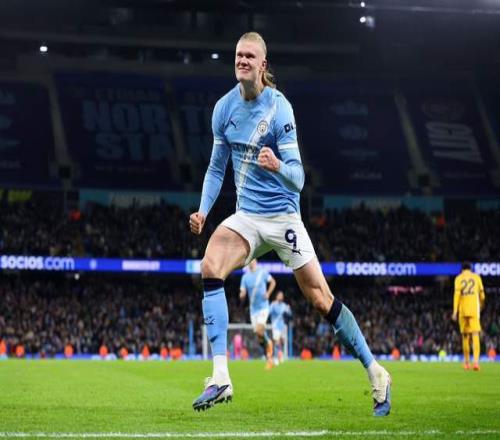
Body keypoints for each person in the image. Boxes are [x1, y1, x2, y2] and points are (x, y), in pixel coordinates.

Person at [189, 31, 391, 416]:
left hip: (283, 218)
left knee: (320, 299)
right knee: (210, 266)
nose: (242, 60)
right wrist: (203, 211)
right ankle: (220, 376)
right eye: (238, 55)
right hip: (247, 217)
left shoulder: (280, 109)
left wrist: (277, 165)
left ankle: (376, 371)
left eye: (249, 56)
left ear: (263, 65)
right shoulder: (223, 109)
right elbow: (216, 169)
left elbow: (298, 179)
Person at [239, 258, 276, 369]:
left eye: (252, 259)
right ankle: (269, 357)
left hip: (263, 307)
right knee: (259, 336)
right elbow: (243, 291)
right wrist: (242, 295)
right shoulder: (245, 277)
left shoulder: (262, 272)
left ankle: (269, 348)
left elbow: (273, 282)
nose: (250, 262)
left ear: (255, 260)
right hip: (253, 310)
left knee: (260, 330)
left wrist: (268, 293)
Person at [452, 262, 485, 371]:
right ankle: (476, 362)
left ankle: (466, 363)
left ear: (462, 269)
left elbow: (457, 296)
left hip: (463, 311)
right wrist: (481, 304)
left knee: (465, 336)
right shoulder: (477, 277)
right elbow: (482, 295)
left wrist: (455, 311)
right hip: (474, 310)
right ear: (470, 269)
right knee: (475, 335)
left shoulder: (458, 278)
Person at [269, 290, 292, 365]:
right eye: (279, 295)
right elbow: (268, 312)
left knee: (282, 342)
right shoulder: (273, 305)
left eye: (282, 295)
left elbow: (290, 314)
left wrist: (289, 310)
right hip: (275, 325)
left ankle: (280, 355)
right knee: (276, 341)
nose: (281, 297)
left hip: (282, 326)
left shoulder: (284, 306)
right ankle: (275, 358)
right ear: (276, 296)